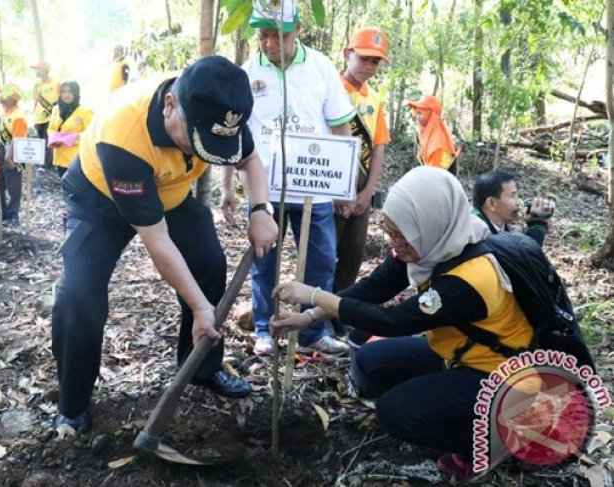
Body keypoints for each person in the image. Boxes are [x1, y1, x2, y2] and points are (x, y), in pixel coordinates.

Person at [51, 56, 278, 432]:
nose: (201, 153)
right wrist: (201, 307)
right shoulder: (124, 133)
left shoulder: (219, 110)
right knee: (78, 294)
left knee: (208, 262)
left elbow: (250, 158)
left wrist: (260, 209)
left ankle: (202, 367)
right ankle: (72, 404)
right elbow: (156, 241)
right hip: (99, 198)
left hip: (167, 191)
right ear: (171, 105)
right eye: (196, 141)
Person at [272, 166, 535, 480]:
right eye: (390, 231)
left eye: (401, 234)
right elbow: (375, 287)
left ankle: (490, 441)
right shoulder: (432, 242)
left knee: (396, 414)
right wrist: (310, 316)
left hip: (503, 373)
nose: (394, 242)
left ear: (429, 221)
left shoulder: (472, 277)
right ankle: (448, 406)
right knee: (369, 364)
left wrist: (315, 295)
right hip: (460, 353)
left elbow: (392, 321)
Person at [222, 0, 354, 357]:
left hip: (316, 183)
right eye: (263, 36)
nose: (268, 44)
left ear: (297, 30)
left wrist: (346, 183)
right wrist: (227, 186)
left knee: (320, 259)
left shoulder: (321, 67)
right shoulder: (248, 73)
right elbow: (236, 134)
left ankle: (313, 330)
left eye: (277, 36)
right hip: (266, 187)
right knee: (265, 259)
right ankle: (265, 328)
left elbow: (340, 123)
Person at [333, 27, 391, 295]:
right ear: (348, 54)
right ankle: (312, 313)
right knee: (323, 253)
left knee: (353, 255)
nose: (369, 66)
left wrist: (368, 193)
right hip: (331, 186)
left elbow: (379, 146)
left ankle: (338, 314)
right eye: (364, 58)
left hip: (361, 186)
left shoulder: (374, 100)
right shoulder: (330, 88)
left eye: (375, 61)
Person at [472, 170, 554, 247]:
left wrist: (534, 224)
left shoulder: (496, 227)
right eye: (512, 196)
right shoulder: (476, 235)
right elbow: (524, 259)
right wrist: (538, 226)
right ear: (492, 203)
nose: (518, 202)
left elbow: (516, 251)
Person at [0, 84, 28, 225]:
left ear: (13, 98)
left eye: (4, 94)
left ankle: (13, 215)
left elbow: (18, 139)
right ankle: (0, 212)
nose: (0, 97)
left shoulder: (18, 117)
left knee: (13, 184)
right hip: (0, 150)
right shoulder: (4, 114)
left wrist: (8, 157)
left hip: (13, 152)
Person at [47, 81, 93, 178]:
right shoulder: (56, 109)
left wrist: (71, 138)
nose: (66, 95)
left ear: (76, 93)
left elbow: (90, 134)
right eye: (63, 92)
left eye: (70, 92)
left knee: (75, 189)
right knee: (64, 187)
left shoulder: (85, 112)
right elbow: (51, 128)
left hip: (76, 160)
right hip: (59, 157)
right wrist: (54, 138)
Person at [408, 95, 457, 173]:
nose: (417, 117)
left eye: (420, 113)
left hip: (441, 178)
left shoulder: (438, 139)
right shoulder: (424, 133)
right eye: (416, 113)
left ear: (430, 114)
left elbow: (437, 172)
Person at [31, 60, 59, 168]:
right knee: (41, 140)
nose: (36, 72)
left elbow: (61, 97)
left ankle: (47, 165)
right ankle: (43, 161)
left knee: (49, 140)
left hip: (51, 116)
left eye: (37, 69)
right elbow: (35, 100)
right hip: (39, 117)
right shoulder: (36, 84)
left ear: (45, 71)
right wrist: (34, 113)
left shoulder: (56, 82)